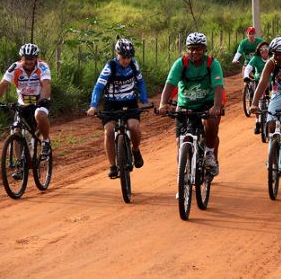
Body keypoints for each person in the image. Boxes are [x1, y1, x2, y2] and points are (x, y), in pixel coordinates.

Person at [158, 32, 224, 176]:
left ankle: (209, 154)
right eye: (191, 48)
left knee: (211, 123)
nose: (195, 52)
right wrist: (163, 103)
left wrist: (217, 106)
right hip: (185, 105)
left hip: (206, 103)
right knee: (179, 142)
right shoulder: (181, 63)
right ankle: (182, 177)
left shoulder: (212, 64)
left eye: (198, 48)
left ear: (205, 49)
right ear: (187, 49)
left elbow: (218, 86)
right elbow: (169, 84)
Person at [87, 38, 149, 178]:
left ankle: (136, 150)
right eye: (123, 57)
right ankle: (112, 165)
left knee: (133, 127)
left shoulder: (134, 65)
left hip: (130, 101)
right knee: (108, 131)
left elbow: (140, 82)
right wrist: (93, 106)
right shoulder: (110, 66)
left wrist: (144, 100)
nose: (126, 60)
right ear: (117, 54)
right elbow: (98, 87)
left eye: (128, 57)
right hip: (111, 103)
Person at [0, 43, 53, 179]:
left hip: (40, 101)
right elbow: (3, 84)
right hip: (23, 103)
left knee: (40, 114)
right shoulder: (15, 67)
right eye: (26, 58)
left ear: (36, 58)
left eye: (32, 58)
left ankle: (46, 141)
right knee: (16, 132)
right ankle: (20, 165)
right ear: (21, 58)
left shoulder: (42, 66)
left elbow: (46, 85)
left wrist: (44, 99)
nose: (29, 61)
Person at [244, 41, 270, 133]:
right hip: (258, 81)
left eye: (266, 48)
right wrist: (246, 76)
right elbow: (248, 68)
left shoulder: (272, 58)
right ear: (259, 51)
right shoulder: (256, 58)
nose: (264, 51)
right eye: (261, 49)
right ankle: (257, 122)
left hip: (270, 82)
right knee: (257, 100)